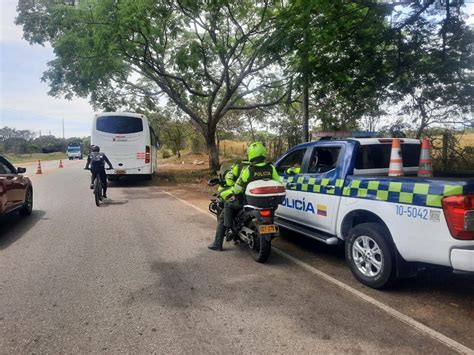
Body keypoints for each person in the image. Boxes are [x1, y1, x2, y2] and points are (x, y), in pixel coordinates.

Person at [208, 142, 279, 251]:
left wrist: (235, 194)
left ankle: (219, 242)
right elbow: (278, 182)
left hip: (247, 201)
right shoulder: (271, 168)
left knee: (227, 205)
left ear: (250, 154)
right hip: (267, 202)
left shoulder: (248, 170)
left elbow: (237, 187)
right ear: (263, 153)